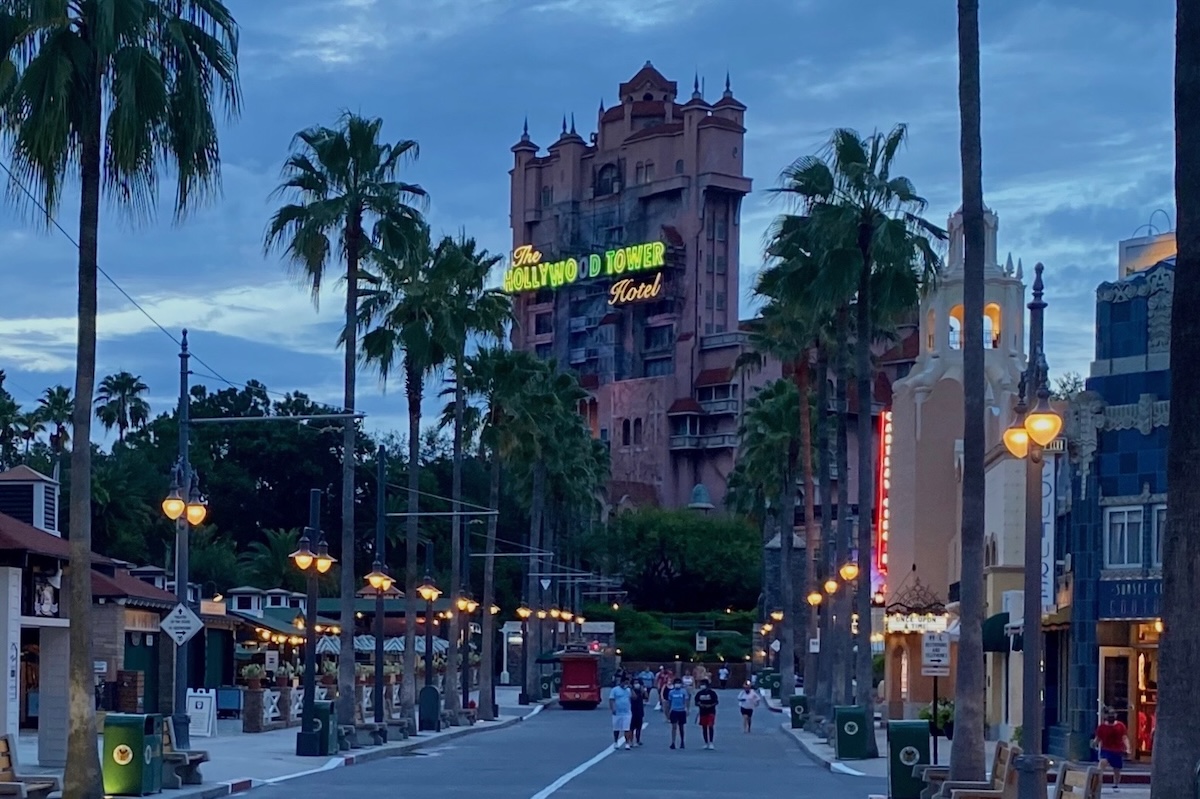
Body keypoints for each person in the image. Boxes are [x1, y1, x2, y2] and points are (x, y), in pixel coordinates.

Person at [1094, 710, 1129, 792]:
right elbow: (1098, 738)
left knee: (1116, 769)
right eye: (1109, 715)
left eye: (1112, 715)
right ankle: (1098, 784)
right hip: (1106, 750)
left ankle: (1116, 784)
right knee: (1101, 765)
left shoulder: (1120, 726)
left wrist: (1128, 747)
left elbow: (1124, 737)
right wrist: (1094, 744)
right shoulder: (1102, 727)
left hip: (1117, 751)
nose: (1111, 717)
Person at [609, 676, 634, 750]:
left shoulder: (628, 690)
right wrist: (613, 708)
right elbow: (611, 699)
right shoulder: (615, 690)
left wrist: (631, 688)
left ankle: (627, 743)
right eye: (625, 683)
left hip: (627, 712)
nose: (626, 684)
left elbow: (634, 697)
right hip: (617, 712)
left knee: (627, 728)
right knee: (616, 728)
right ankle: (616, 742)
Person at [694, 679, 720, 749]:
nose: (702, 686)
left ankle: (711, 742)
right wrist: (700, 705)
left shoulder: (712, 693)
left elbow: (716, 702)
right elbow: (696, 702)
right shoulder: (699, 694)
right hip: (702, 712)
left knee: (710, 726)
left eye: (703, 684)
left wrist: (710, 705)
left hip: (711, 712)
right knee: (704, 727)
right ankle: (706, 742)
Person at [666, 677, 690, 749]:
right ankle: (673, 742)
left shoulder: (684, 691)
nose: (677, 684)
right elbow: (669, 702)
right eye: (676, 683)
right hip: (674, 711)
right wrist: (668, 712)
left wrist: (687, 709)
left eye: (679, 683)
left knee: (681, 727)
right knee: (674, 727)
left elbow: (686, 700)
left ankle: (682, 741)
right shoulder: (671, 692)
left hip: (681, 711)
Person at [630, 678, 647, 746]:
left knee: (639, 727)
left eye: (638, 683)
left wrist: (643, 689)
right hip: (632, 710)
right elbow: (634, 697)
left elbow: (646, 696)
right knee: (631, 727)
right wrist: (631, 689)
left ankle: (638, 740)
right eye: (635, 683)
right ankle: (631, 740)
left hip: (640, 710)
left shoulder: (641, 691)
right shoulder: (630, 691)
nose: (637, 684)